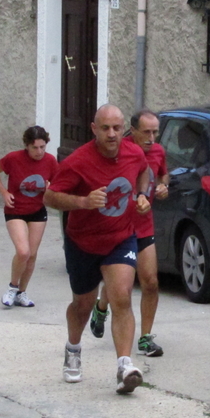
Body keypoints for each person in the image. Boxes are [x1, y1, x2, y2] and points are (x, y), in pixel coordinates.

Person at [44, 104, 151, 393]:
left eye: (117, 128)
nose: (112, 134)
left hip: (120, 238)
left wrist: (142, 194)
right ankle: (73, 349)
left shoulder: (133, 152)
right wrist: (82, 202)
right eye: (105, 128)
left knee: (121, 296)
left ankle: (125, 366)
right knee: (83, 305)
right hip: (83, 242)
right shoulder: (78, 161)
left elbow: (143, 170)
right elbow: (50, 197)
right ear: (94, 129)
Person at [90, 109, 170, 357]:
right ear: (132, 131)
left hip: (144, 225)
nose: (152, 137)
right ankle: (101, 307)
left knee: (151, 282)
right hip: (120, 228)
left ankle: (145, 338)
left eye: (155, 132)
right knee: (120, 287)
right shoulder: (117, 150)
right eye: (146, 132)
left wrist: (164, 185)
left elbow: (163, 173)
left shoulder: (157, 152)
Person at [0, 125, 59, 308]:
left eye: (43, 147)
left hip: (37, 210)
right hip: (15, 210)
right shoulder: (13, 158)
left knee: (33, 255)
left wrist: (51, 187)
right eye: (35, 147)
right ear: (27, 146)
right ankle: (12, 287)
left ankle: (22, 292)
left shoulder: (51, 161)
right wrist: (4, 192)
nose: (39, 151)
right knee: (23, 251)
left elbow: (60, 185)